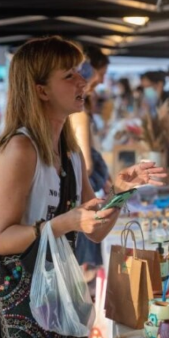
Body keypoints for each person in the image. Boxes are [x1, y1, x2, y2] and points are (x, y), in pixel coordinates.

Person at [0, 36, 166, 338]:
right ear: (42, 90)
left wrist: (120, 192)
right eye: (69, 75)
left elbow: (95, 230)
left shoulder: (71, 153)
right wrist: (64, 223)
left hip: (47, 292)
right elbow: (0, 239)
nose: (82, 81)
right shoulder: (22, 149)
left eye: (79, 72)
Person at [70, 45, 112, 280]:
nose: (86, 87)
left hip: (83, 199)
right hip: (83, 200)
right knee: (85, 269)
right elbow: (85, 166)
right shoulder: (80, 116)